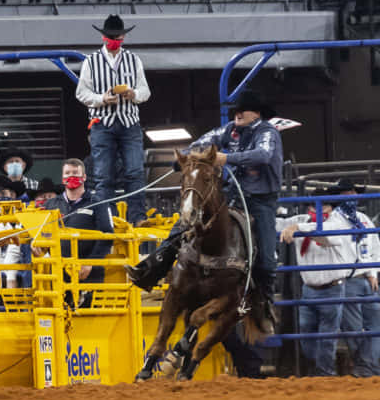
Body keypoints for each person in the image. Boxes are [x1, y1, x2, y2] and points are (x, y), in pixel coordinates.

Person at [126, 90, 282, 322]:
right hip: (230, 195)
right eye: (236, 110)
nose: (237, 114)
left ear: (256, 113)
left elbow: (263, 155)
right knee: (187, 219)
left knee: (267, 260)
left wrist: (226, 159)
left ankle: (263, 302)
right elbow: (201, 144)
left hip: (259, 200)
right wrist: (187, 158)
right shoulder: (229, 130)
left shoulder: (267, 132)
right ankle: (153, 268)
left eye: (243, 110)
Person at [75, 15, 151, 225]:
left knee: (135, 171)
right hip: (102, 123)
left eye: (117, 37)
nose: (114, 40)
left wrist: (133, 94)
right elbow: (81, 94)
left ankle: (137, 217)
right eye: (110, 37)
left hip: (129, 122)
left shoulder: (133, 59)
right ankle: (106, 219)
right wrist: (101, 99)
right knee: (103, 176)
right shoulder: (91, 61)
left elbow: (145, 91)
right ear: (103, 37)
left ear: (123, 36)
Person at [277, 192, 354, 376]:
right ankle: (316, 369)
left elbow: (327, 236)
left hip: (332, 287)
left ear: (331, 207)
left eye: (322, 205)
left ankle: (325, 374)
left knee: (327, 337)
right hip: (309, 288)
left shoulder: (338, 221)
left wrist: (298, 228)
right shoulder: (303, 220)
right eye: (312, 205)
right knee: (305, 333)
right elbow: (276, 224)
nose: (316, 209)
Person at [38, 158, 114, 309]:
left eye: (75, 173)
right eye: (67, 173)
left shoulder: (98, 203)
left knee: (90, 322)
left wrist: (90, 263)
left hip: (90, 274)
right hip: (58, 274)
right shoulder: (51, 205)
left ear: (84, 177)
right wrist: (38, 247)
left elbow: (107, 236)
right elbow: (40, 233)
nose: (71, 176)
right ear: (62, 178)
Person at [331, 178, 380, 376]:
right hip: (347, 278)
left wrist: (373, 273)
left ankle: (367, 367)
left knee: (375, 325)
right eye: (345, 193)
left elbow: (375, 247)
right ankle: (367, 367)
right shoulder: (334, 220)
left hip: (368, 278)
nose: (350, 196)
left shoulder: (364, 219)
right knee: (353, 328)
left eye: (352, 192)